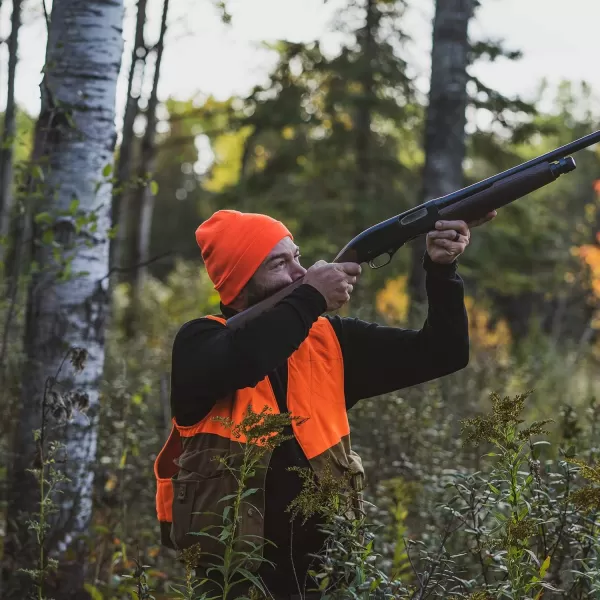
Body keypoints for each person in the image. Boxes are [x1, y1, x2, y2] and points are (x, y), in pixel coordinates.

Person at [154, 208, 496, 599]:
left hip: (327, 577)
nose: (300, 272)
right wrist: (312, 297)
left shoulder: (330, 340)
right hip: (234, 581)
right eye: (280, 263)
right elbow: (246, 359)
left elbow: (444, 352)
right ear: (239, 281)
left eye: (297, 256)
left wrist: (441, 270)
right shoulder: (198, 342)